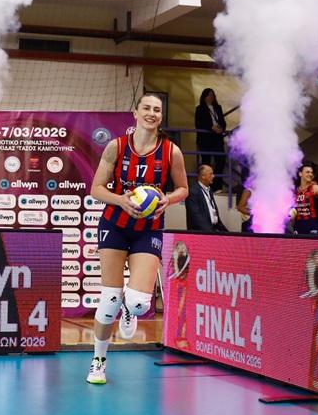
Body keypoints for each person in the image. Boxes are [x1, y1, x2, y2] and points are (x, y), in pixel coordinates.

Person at [86, 92, 187, 385]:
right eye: (147, 108)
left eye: (157, 110)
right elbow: (96, 189)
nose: (152, 113)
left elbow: (183, 189)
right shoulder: (116, 147)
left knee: (140, 303)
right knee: (109, 300)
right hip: (115, 225)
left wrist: (168, 199)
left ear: (161, 116)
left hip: (148, 229)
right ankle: (98, 361)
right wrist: (120, 199)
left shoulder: (171, 152)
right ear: (136, 112)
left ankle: (130, 309)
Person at [193, 88, 226, 190]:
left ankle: (217, 186)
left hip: (217, 139)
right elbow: (198, 124)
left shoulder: (218, 108)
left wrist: (221, 128)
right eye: (208, 95)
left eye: (212, 95)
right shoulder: (200, 109)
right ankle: (205, 186)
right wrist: (211, 128)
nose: (211, 97)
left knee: (220, 161)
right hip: (205, 139)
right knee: (206, 163)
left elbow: (223, 122)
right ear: (204, 97)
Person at [184, 165, 227, 232]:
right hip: (200, 233)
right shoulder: (193, 192)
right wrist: (211, 233)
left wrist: (227, 233)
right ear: (203, 176)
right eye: (211, 174)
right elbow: (196, 217)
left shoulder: (209, 191)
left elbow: (214, 215)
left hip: (212, 230)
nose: (213, 176)